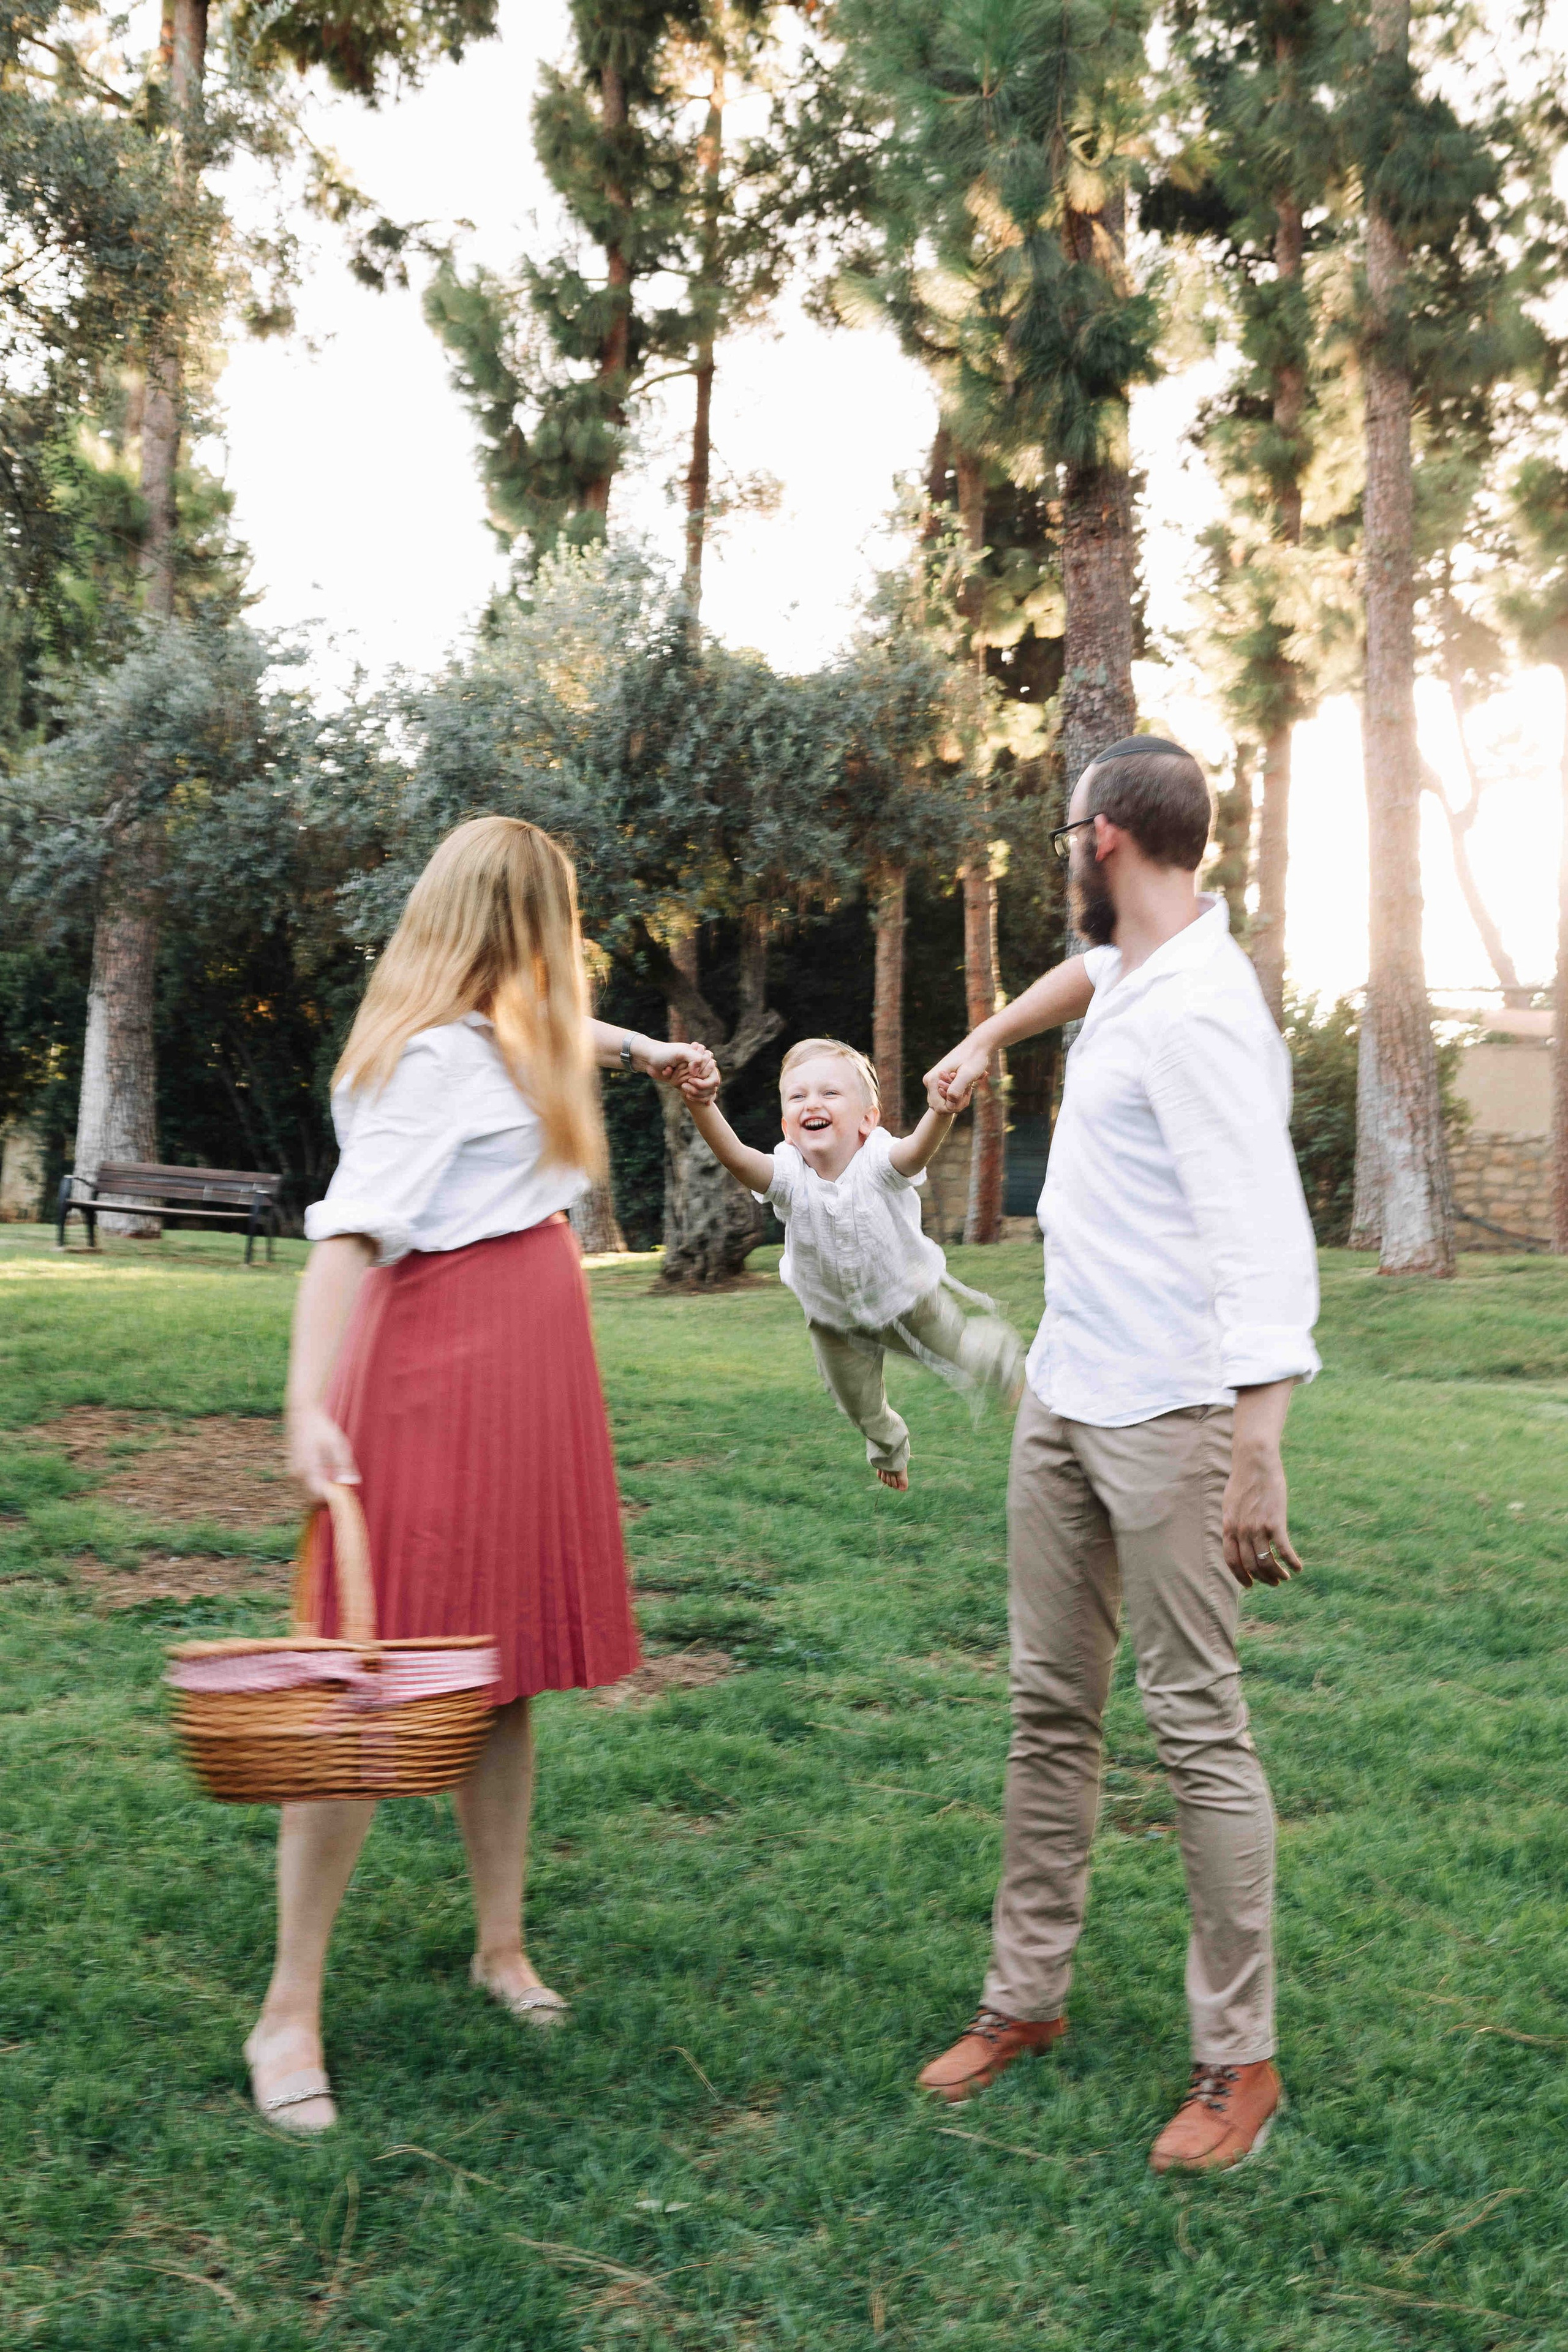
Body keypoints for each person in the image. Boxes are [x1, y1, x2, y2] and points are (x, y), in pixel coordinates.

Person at [244, 815, 717, 2135]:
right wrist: (304, 1404)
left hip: (526, 1380)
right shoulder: (433, 1065)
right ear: (519, 929)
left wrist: (650, 1051)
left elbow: (579, 1032)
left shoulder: (519, 1034)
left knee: (503, 1679)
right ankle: (287, 2012)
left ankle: (499, 1947)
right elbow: (344, 1244)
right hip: (433, 1374)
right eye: (557, 921)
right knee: (363, 1693)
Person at [915, 737, 1320, 2174]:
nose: (1054, 856)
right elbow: (1082, 980)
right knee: (1046, 1707)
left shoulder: (1203, 1011)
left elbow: (1259, 1232)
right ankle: (1021, 1999)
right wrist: (985, 1037)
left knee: (1195, 1727)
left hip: (1171, 1412)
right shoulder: (1135, 971)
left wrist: (1255, 1437)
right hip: (1064, 1393)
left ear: (1102, 843)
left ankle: (1236, 2061)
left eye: (1061, 833)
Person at [682, 1037, 1022, 1490]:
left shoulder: (878, 1159)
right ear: (787, 1126)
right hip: (833, 1318)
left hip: (908, 1294)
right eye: (798, 1096)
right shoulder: (787, 1175)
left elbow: (915, 1153)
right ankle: (888, 1444)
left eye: (829, 1093)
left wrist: (941, 1112)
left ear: (867, 1119)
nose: (812, 1103)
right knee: (857, 1402)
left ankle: (1008, 1367)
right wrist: (704, 1105)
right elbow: (738, 1160)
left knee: (962, 1349)